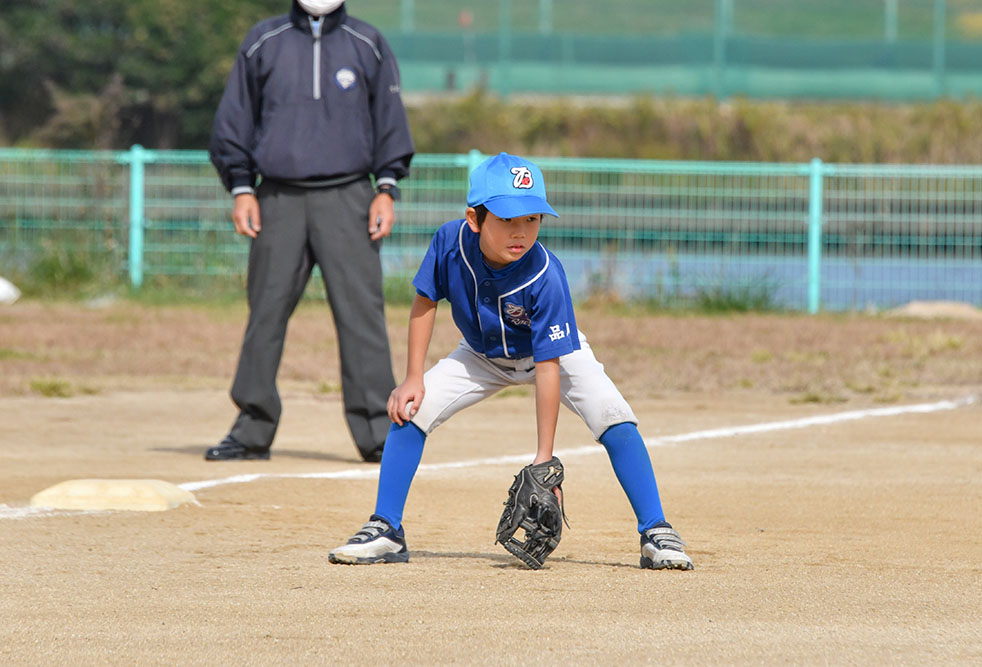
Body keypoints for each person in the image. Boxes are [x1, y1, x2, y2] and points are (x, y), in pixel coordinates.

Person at [328, 153, 694, 570]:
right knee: (410, 409)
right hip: (480, 355)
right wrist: (413, 377)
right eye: (506, 219)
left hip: (553, 355)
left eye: (532, 218)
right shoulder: (449, 242)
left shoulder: (546, 274)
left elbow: (549, 367)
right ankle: (386, 529)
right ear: (474, 218)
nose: (521, 231)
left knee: (615, 417)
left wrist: (544, 458)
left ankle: (656, 531)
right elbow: (425, 300)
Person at [207, 0, 414, 463]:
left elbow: (390, 120)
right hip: (277, 198)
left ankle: (378, 434)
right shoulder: (264, 41)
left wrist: (386, 188)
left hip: (349, 197)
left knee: (361, 317)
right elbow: (235, 119)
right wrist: (241, 188)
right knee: (265, 314)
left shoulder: (367, 43)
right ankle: (252, 429)